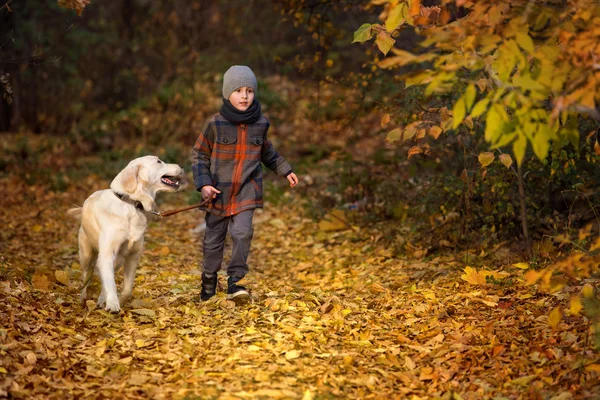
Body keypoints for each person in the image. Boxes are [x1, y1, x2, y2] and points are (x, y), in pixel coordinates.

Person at [192, 65, 299, 304]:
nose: (244, 96)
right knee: (213, 240)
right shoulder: (215, 124)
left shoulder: (261, 123)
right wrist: (204, 185)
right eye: (238, 90)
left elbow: (268, 153)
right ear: (227, 93)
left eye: (249, 91)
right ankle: (209, 279)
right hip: (218, 192)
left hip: (246, 191)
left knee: (242, 233)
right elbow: (199, 155)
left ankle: (235, 282)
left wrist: (286, 170)